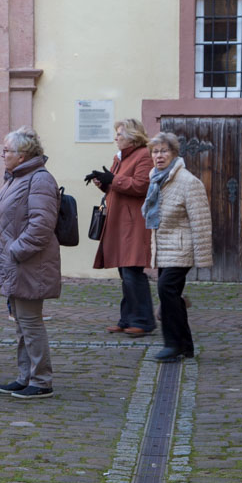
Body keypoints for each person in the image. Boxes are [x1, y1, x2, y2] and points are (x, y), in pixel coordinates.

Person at [0, 127, 61, 399]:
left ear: (23, 154)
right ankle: (25, 376)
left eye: (7, 150)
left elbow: (41, 225)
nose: (3, 154)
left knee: (30, 322)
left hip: (30, 263)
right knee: (21, 323)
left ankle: (41, 381)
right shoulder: (16, 178)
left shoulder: (39, 180)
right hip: (17, 263)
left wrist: (15, 251)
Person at [142, 132, 213, 362]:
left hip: (182, 248)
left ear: (174, 154)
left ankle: (172, 345)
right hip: (165, 248)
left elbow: (201, 221)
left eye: (164, 151)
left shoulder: (188, 182)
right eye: (155, 151)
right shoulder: (156, 179)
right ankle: (185, 346)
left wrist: (202, 258)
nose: (159, 156)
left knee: (166, 290)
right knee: (170, 294)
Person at [86, 119, 155, 337]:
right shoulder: (122, 157)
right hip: (120, 221)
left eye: (120, 134)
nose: (116, 138)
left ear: (133, 137)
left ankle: (143, 321)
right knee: (126, 273)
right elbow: (118, 186)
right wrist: (104, 183)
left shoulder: (144, 155)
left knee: (132, 271)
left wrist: (113, 180)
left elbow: (141, 186)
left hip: (133, 223)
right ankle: (127, 320)